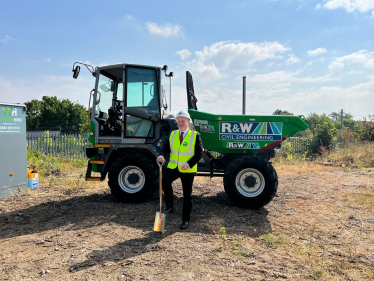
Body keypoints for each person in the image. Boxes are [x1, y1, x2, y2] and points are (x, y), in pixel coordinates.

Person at [156, 110, 203, 230]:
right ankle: (170, 206)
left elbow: (199, 154)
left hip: (187, 169)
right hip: (174, 167)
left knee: (187, 195)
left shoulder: (195, 135)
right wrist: (161, 155)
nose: (180, 123)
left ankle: (185, 220)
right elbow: (165, 148)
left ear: (188, 122)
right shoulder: (173, 134)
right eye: (179, 122)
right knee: (165, 181)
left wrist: (189, 164)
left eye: (183, 121)